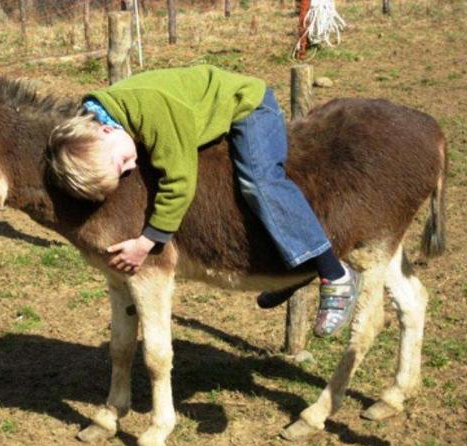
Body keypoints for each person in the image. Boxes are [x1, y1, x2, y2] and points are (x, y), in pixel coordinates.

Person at [48, 65, 361, 337]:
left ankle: (334, 273)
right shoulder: (98, 122)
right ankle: (295, 268)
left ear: (104, 130)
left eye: (121, 164)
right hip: (202, 109)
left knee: (261, 184)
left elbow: (180, 181)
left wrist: (148, 241)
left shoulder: (153, 114)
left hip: (247, 105)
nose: (129, 168)